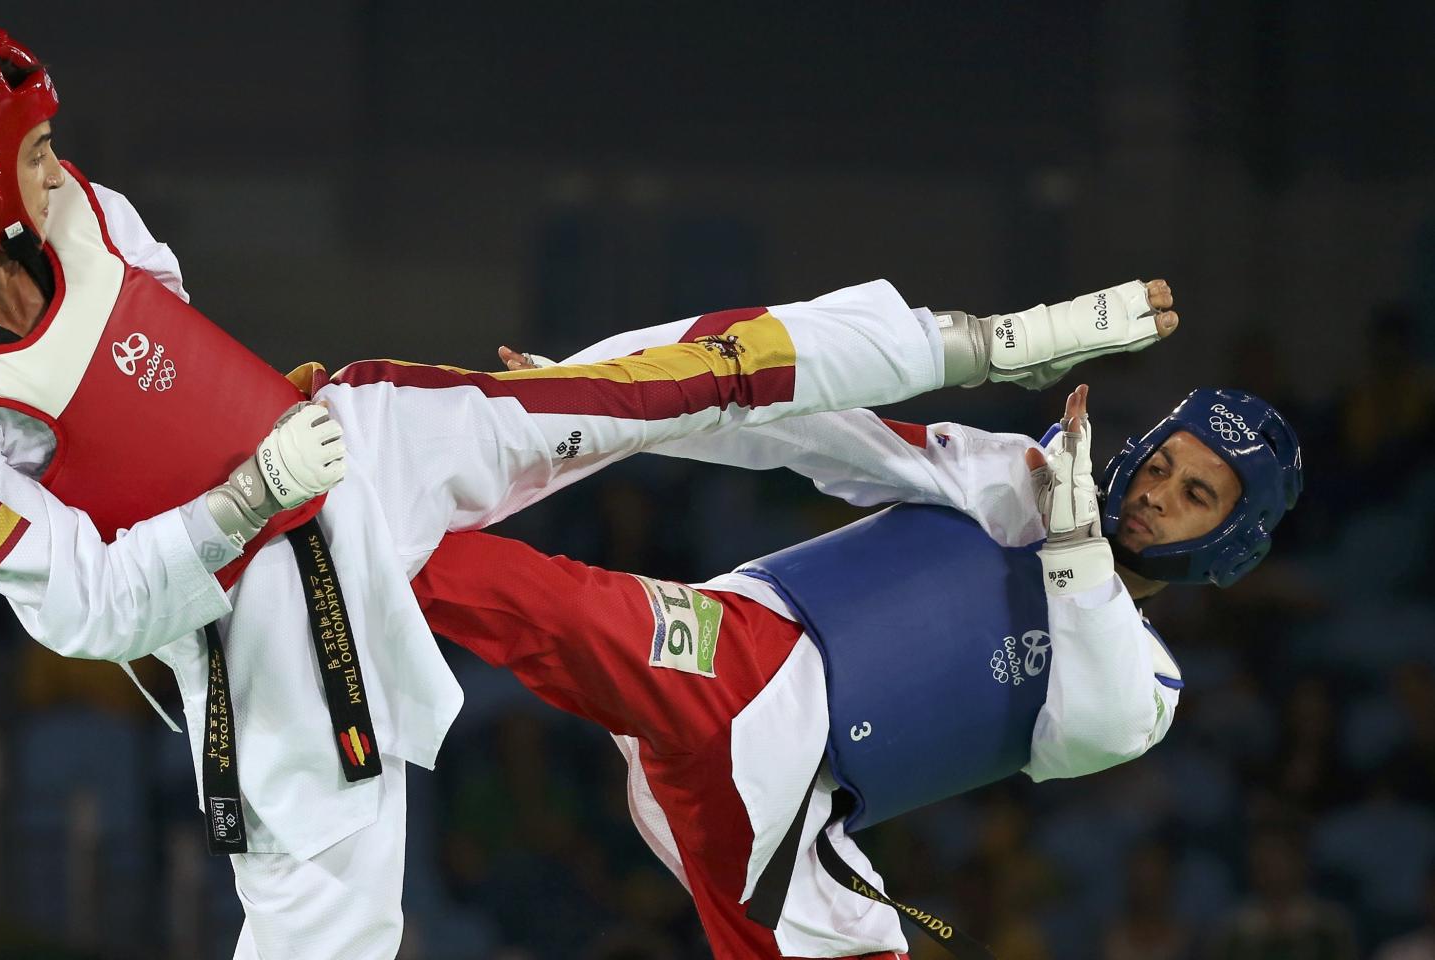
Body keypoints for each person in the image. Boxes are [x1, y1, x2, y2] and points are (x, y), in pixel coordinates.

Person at [0, 21, 1179, 958]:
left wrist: (262, 433)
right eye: (25, 153)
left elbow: (168, 339)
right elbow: (87, 613)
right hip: (256, 611)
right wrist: (239, 497)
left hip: (351, 443)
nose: (51, 164)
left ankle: (979, 340)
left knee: (663, 378)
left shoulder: (81, 207)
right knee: (333, 921)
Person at [413, 339, 1302, 956]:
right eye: (1159, 466)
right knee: (502, 586)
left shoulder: (1146, 692)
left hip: (785, 816)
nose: (1157, 494)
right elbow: (816, 431)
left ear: (1230, 541)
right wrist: (612, 395)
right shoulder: (1019, 480)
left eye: (1196, 494)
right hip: (745, 661)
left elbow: (1091, 716)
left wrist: (1073, 548)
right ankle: (326, 489)